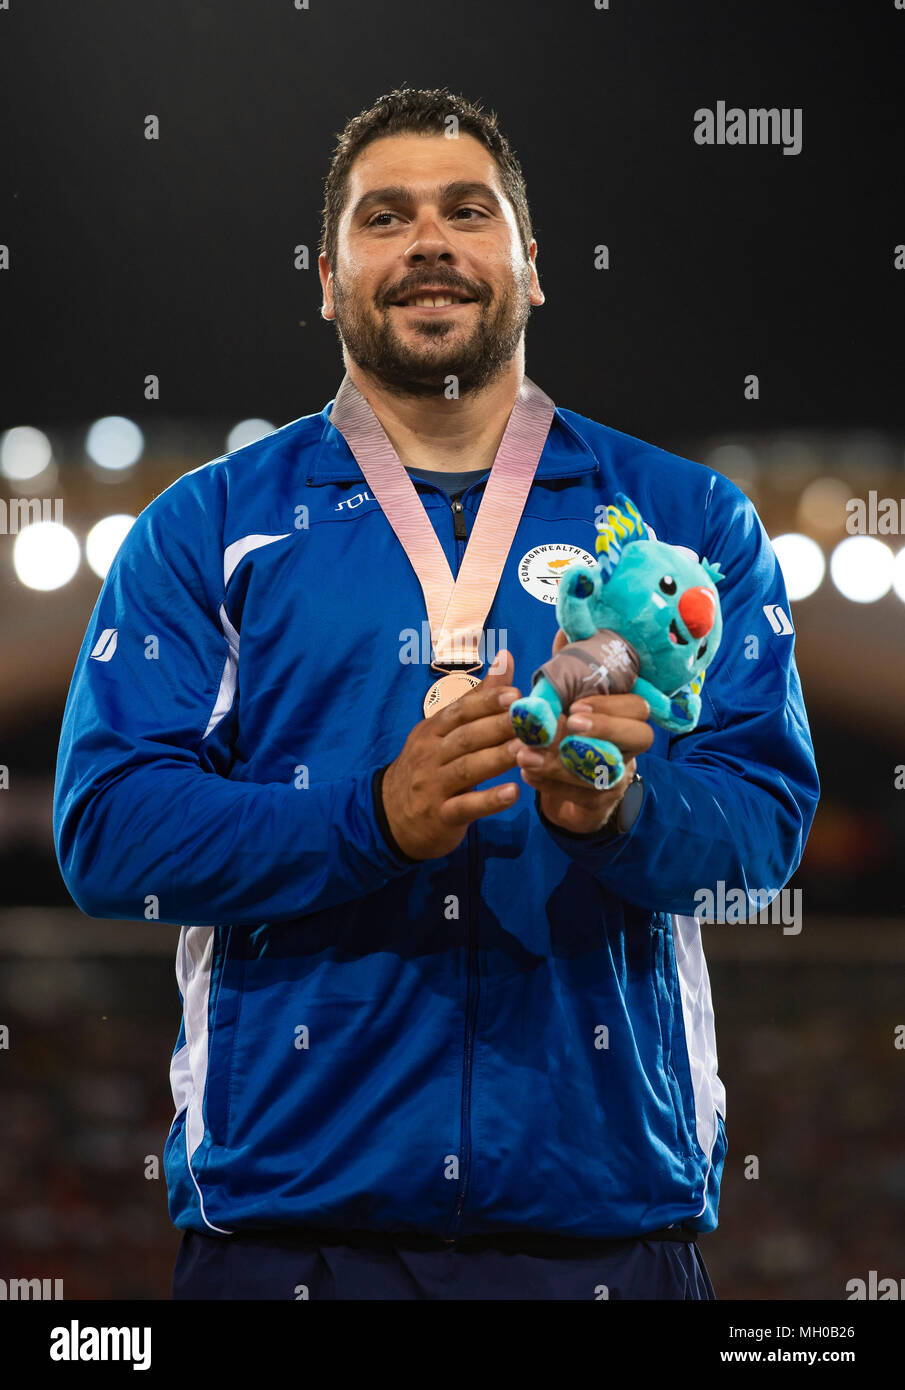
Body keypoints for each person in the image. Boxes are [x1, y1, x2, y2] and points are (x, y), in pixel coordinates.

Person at [53, 86, 820, 1301]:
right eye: (384, 217)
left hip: (604, 1229)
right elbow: (106, 831)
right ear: (323, 275)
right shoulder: (207, 527)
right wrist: (370, 820)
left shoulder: (683, 522)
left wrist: (617, 816)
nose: (428, 242)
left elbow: (765, 820)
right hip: (286, 1232)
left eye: (468, 211)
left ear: (530, 264)